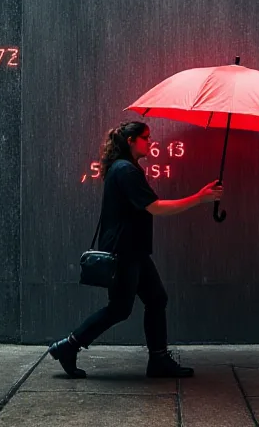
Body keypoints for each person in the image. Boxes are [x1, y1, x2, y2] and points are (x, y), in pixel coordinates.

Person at [48, 121, 224, 379]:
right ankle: (68, 346)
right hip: (125, 252)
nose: (150, 142)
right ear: (130, 141)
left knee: (156, 299)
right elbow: (155, 207)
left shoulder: (125, 169)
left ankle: (158, 360)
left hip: (134, 251)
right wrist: (200, 198)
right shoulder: (125, 171)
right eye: (145, 137)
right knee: (120, 308)